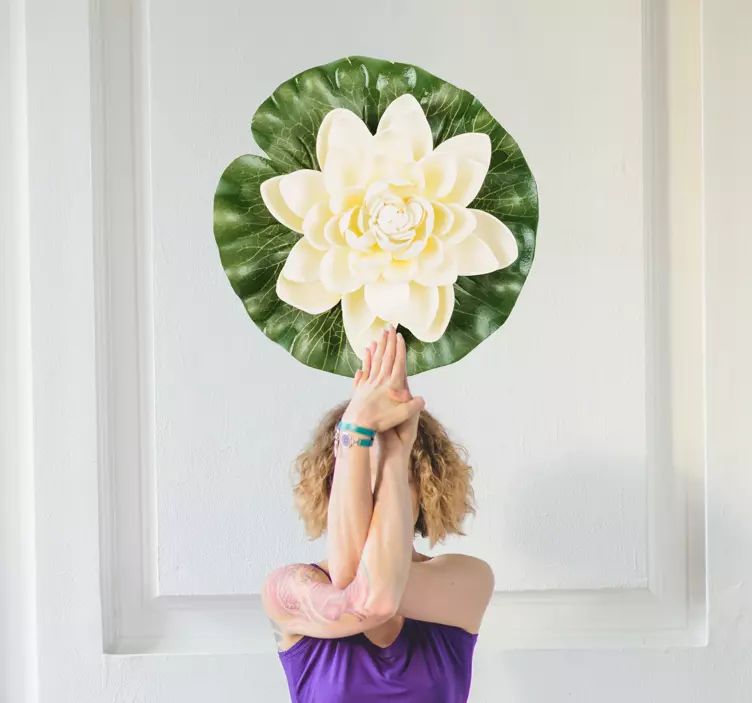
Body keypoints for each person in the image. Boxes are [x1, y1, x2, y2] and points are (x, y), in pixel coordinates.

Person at [262, 323, 495, 702]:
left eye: (393, 479)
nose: (372, 496)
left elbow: (374, 594)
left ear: (425, 490)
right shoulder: (288, 589)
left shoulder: (468, 579)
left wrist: (391, 451)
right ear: (331, 490)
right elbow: (363, 594)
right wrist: (356, 430)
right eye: (357, 478)